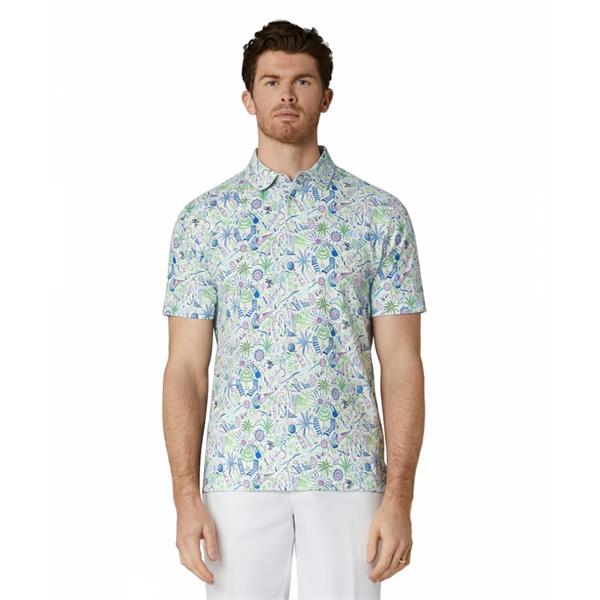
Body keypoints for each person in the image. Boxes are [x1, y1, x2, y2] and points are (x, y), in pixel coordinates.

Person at [161, 19, 427, 600]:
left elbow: (403, 363)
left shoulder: (379, 217)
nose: (287, 95)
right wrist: (185, 498)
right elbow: (185, 368)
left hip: (349, 474)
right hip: (237, 476)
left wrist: (399, 498)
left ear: (326, 97)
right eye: (271, 82)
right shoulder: (204, 221)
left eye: (302, 81)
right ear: (248, 98)